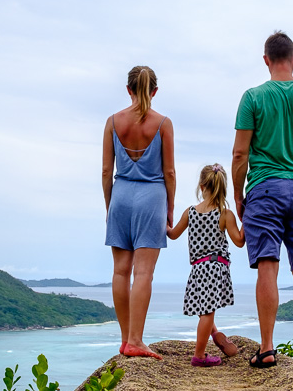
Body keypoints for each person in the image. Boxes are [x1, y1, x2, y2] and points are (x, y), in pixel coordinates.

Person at [231, 31, 293, 370]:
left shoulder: (253, 98)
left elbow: (240, 153)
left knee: (268, 268)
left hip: (264, 189)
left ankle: (267, 347)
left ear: (265, 60)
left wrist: (238, 194)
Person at [103, 65, 176, 360]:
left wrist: (110, 206)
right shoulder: (163, 124)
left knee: (120, 271)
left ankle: (124, 340)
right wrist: (170, 208)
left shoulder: (112, 122)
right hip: (151, 198)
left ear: (129, 89)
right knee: (143, 272)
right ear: (154, 91)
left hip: (120, 195)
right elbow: (169, 172)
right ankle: (136, 339)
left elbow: (107, 170)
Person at [167, 164, 245, 366]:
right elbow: (239, 241)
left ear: (202, 186)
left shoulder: (190, 212)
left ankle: (216, 333)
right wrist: (247, 219)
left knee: (204, 308)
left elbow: (173, 234)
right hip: (215, 266)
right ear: (223, 187)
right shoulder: (225, 214)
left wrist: (161, 220)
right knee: (208, 312)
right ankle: (199, 356)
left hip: (198, 268)